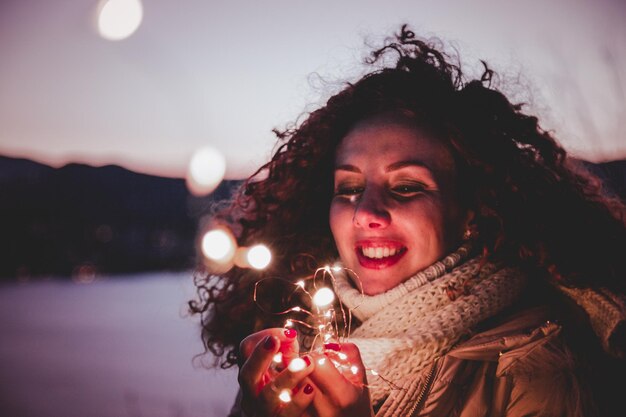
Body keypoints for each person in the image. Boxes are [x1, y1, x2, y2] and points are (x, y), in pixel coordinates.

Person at [189, 26, 626, 417]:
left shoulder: (536, 371)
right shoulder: (300, 346)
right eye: (348, 188)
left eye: (406, 188)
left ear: (470, 209)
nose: (366, 213)